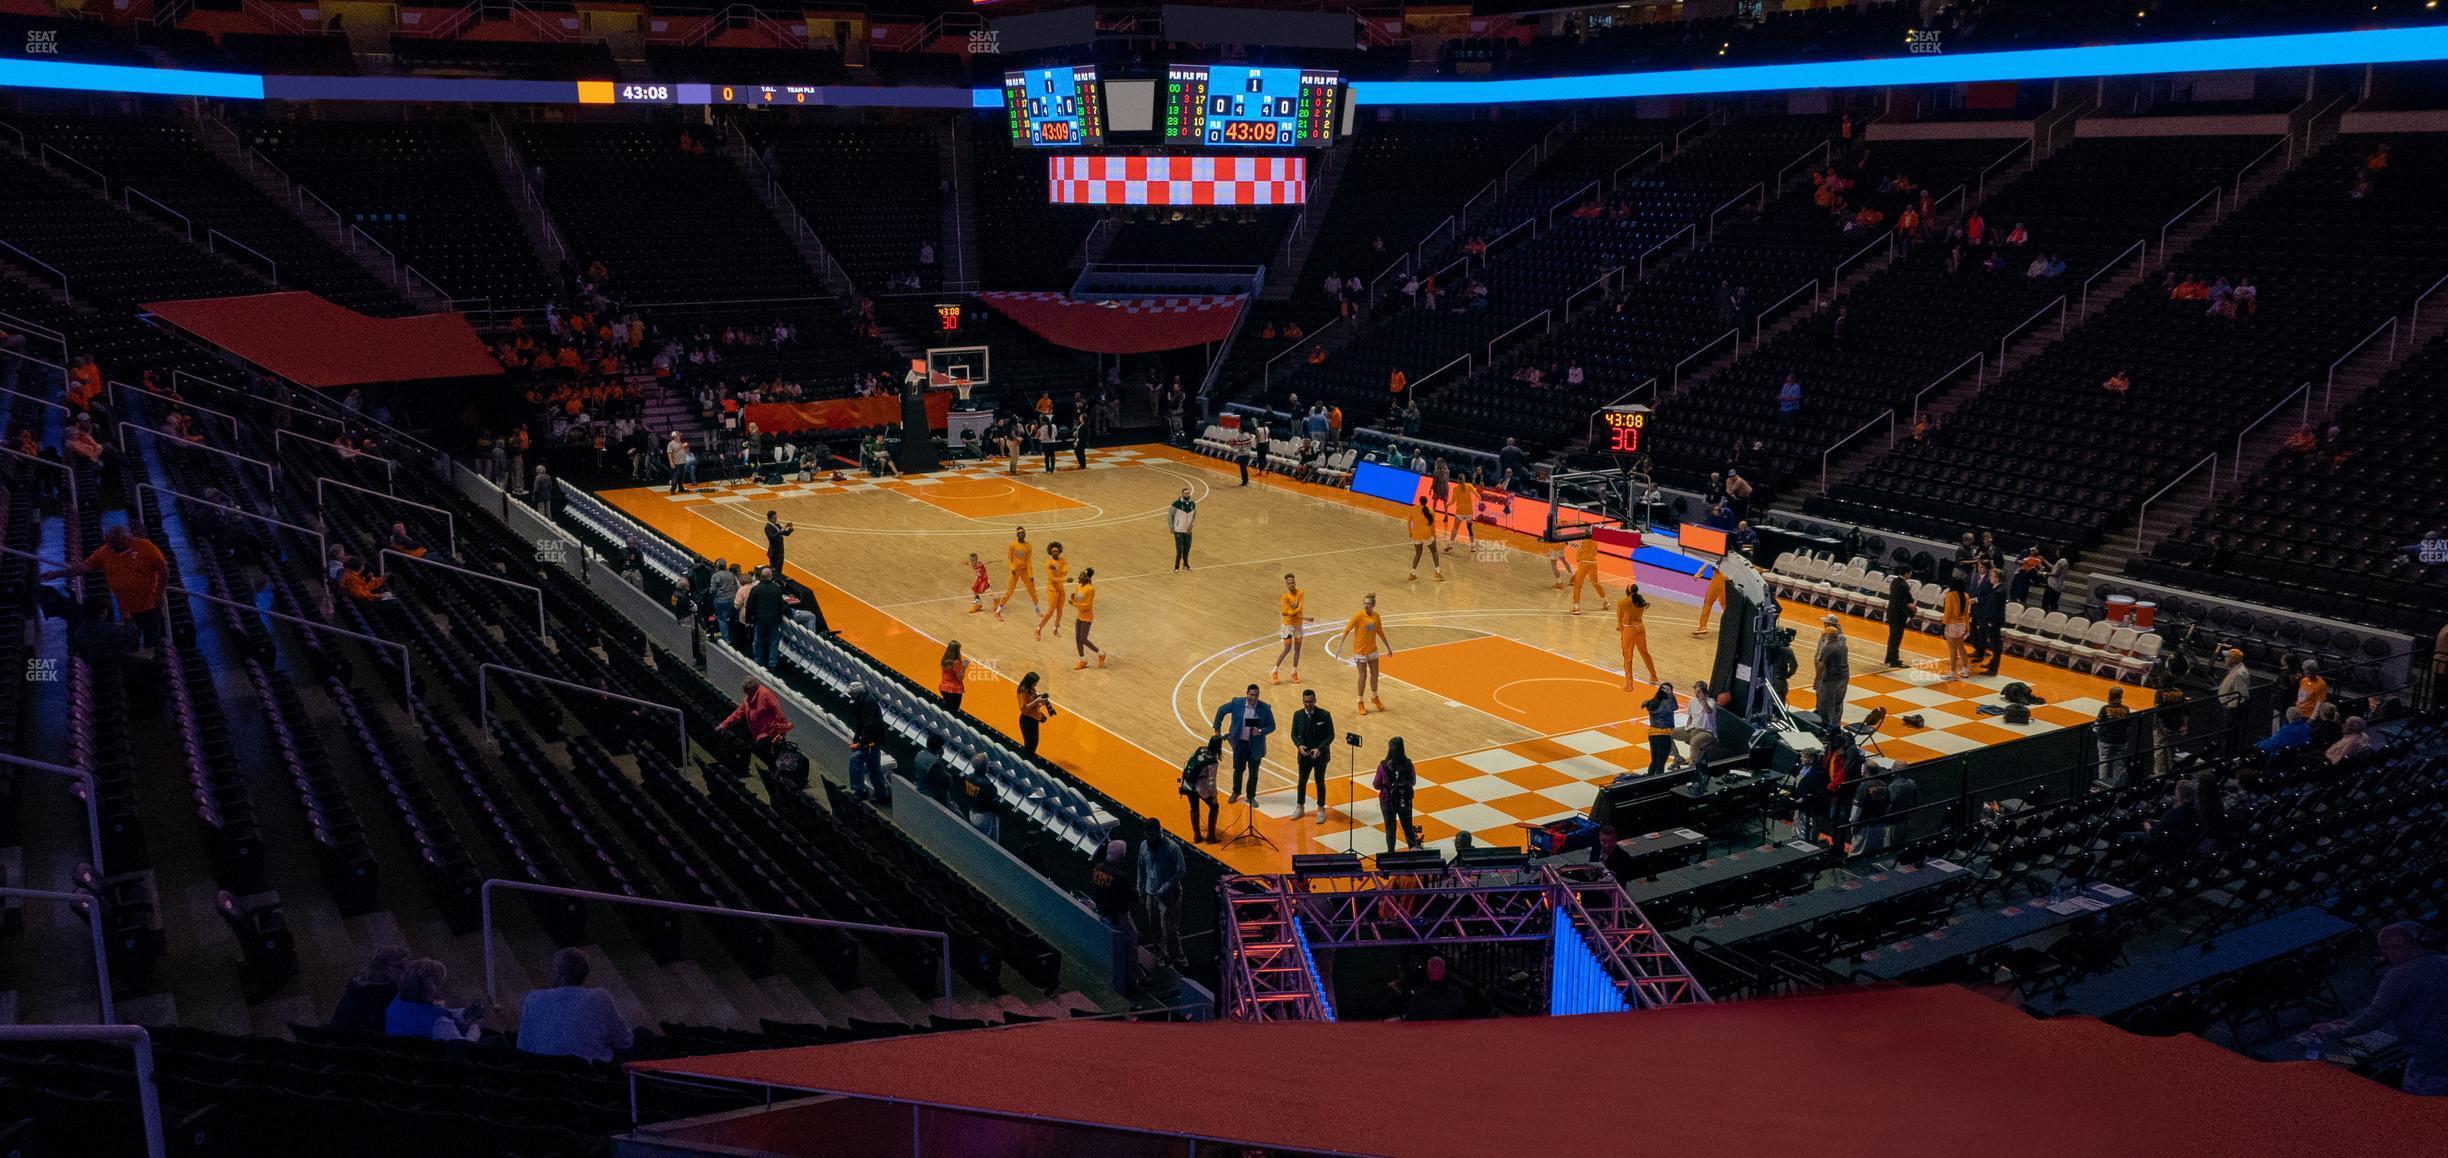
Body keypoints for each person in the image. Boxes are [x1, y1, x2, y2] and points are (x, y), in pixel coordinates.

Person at [2307, 922, 2448, 1095]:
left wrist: (2333, 1030)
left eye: (2386, 951)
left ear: (2397, 947)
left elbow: (2373, 1018)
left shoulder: (2399, 976)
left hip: (2431, 1064)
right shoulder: (2443, 962)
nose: (2385, 958)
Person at [41, 524, 170, 659]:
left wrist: (159, 594)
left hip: (149, 605)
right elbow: (84, 568)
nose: (111, 547)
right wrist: (58, 574)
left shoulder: (145, 547)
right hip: (127, 609)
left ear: (125, 539)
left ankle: (152, 665)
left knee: (152, 640)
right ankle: (136, 666)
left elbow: (163, 570)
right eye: (110, 543)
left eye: (115, 543)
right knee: (131, 641)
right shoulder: (105, 552)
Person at [516, 948, 633, 1063]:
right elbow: (624, 1041)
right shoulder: (599, 997)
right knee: (643, 1035)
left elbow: (522, 1045)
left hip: (541, 1073)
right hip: (590, 1074)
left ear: (557, 973)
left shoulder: (533, 998)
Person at [385, 958, 481, 1042]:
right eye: (438, 983)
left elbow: (428, 1011)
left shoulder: (397, 1001)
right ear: (430, 989)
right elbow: (464, 1047)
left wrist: (463, 1014)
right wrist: (474, 1025)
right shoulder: (439, 1023)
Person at [1212, 683, 1276, 805]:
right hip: (1240, 743)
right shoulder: (1237, 703)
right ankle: (1236, 792)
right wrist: (1217, 727)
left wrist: (1261, 731)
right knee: (1238, 769)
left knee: (1253, 772)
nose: (1253, 698)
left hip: (1255, 745)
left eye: (1256, 695)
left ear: (1259, 695)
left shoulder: (1265, 708)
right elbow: (1221, 710)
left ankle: (1251, 796)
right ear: (1246, 693)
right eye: (1251, 695)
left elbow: (1272, 726)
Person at [328, 947, 410, 1034]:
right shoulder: (358, 995)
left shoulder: (398, 992)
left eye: (406, 967)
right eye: (399, 966)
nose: (404, 971)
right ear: (381, 967)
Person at [1337, 592, 1394, 716]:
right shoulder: (1358, 616)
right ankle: (1360, 701)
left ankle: (1374, 697)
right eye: (1364, 603)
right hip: (1360, 651)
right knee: (1363, 676)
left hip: (1372, 650)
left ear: (1373, 605)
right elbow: (1347, 629)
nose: (1366, 605)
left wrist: (1388, 647)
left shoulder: (1376, 617)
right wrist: (1340, 646)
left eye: (1368, 604)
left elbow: (1380, 631)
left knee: (1375, 674)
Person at [1138, 819, 1186, 965]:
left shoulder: (1173, 848)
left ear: (1159, 832)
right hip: (1151, 893)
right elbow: (1140, 867)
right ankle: (1161, 954)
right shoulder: (1144, 846)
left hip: (1169, 895)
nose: (1149, 839)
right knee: (1154, 928)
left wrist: (1166, 885)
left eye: (1152, 835)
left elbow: (1181, 871)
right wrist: (1140, 888)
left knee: (1170, 929)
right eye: (1147, 835)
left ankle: (1178, 957)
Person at [718, 676, 793, 766]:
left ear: (753, 689)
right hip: (757, 732)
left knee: (764, 748)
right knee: (762, 750)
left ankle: (776, 767)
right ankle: (774, 766)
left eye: (747, 691)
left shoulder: (766, 695)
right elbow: (737, 714)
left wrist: (781, 730)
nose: (745, 694)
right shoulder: (747, 699)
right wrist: (723, 725)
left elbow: (778, 711)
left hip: (769, 731)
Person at [1289, 688, 1336, 821]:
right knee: (1301, 781)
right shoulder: (1297, 715)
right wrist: (1299, 746)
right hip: (1304, 754)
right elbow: (1293, 734)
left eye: (1310, 701)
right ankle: (1300, 807)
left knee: (1319, 781)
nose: (1308, 704)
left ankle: (1321, 809)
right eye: (1306, 701)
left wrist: (1320, 749)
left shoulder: (1324, 715)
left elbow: (1330, 735)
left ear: (1315, 700)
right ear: (1303, 701)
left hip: (1320, 755)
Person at [1375, 737, 1421, 852]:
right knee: (1408, 827)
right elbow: (1413, 781)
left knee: (1390, 828)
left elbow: (1376, 784)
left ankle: (1391, 853)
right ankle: (1413, 851)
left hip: (1387, 801)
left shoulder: (1383, 766)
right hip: (1405, 800)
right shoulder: (1409, 764)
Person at [1272, 572, 1313, 684]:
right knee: (1287, 649)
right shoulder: (1285, 597)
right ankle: (1274, 670)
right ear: (1287, 585)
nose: (1291, 585)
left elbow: (1299, 608)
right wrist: (1293, 611)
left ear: (1295, 582)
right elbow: (1287, 612)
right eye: (1289, 583)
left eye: (1292, 583)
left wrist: (1293, 610)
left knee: (1298, 649)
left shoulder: (1300, 593)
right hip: (1288, 625)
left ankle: (1294, 672)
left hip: (1298, 624)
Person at [742, 564, 786, 668]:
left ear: (761, 577)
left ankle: (758, 660)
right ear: (771, 577)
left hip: (759, 620)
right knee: (774, 641)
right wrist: (779, 619)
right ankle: (772, 663)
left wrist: (748, 620)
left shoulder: (756, 589)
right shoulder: (777, 589)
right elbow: (781, 606)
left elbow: (749, 606)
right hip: (773, 620)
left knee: (758, 640)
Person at [992, 526, 1039, 623]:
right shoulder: (1013, 545)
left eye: (1023, 533)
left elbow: (1029, 561)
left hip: (1025, 571)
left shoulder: (1028, 546)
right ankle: (998, 612)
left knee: (1032, 589)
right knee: (1009, 592)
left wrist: (1031, 575)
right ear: (1017, 535)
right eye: (1020, 533)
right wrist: (1012, 568)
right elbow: (1009, 558)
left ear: (1025, 534)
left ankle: (1037, 608)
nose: (1021, 534)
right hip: (1015, 571)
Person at [1616, 584, 1659, 688]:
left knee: (1628, 657)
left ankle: (1629, 684)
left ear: (1628, 591)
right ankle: (1654, 676)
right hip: (1641, 629)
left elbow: (1619, 619)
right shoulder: (1641, 600)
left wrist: (1622, 632)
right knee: (1645, 653)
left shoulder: (1622, 602)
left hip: (1629, 630)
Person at [1180, 736, 1222, 843]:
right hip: (1200, 787)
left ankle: (1197, 836)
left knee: (1194, 808)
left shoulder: (1200, 749)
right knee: (1214, 807)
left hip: (1188, 784)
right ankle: (1211, 836)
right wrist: (1214, 796)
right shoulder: (1213, 761)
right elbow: (1211, 782)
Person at [1403, 956, 1470, 1021]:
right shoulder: (1457, 995)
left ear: (1428, 972)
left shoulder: (1420, 998)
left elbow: (1411, 1024)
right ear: (1444, 971)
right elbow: (1464, 1021)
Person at [1813, 615, 1851, 729]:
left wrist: (1816, 678)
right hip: (1840, 675)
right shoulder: (1837, 643)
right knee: (1832, 700)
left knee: (1828, 702)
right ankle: (1827, 720)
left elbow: (1822, 662)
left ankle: (1828, 727)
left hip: (1830, 675)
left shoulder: (1834, 643)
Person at [2095, 687, 2133, 788]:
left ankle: (2102, 786)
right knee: (2119, 763)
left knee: (2104, 762)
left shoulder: (2105, 708)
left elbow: (2097, 725)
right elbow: (2128, 726)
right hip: (2121, 740)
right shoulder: (2126, 709)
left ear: (2109, 696)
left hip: (2105, 740)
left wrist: (2097, 732)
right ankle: (2118, 786)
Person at [1068, 567, 1105, 670]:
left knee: (1083, 639)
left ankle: (1101, 654)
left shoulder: (1090, 589)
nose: (1079, 577)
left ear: (1087, 578)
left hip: (1087, 617)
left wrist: (1074, 603)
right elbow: (1078, 599)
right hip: (1080, 615)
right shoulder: (1079, 586)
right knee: (1077, 639)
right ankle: (1083, 660)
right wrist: (1073, 597)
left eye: (1081, 575)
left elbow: (1087, 605)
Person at [1639, 684, 1678, 777]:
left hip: (1652, 735)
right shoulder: (1666, 703)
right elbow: (1674, 707)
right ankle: (1658, 782)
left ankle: (1648, 779)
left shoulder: (1652, 702)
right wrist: (1671, 694)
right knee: (1661, 764)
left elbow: (1645, 703)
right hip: (1663, 735)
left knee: (1654, 761)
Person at [1036, 541, 1069, 642]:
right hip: (1052, 589)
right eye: (1053, 551)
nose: (1055, 552)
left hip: (1061, 589)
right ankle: (1038, 628)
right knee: (1050, 610)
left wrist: (1057, 569)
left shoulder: (1064, 560)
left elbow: (1065, 571)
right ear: (1050, 552)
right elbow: (1052, 578)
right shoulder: (1048, 563)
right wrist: (1064, 578)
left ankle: (1055, 629)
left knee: (1060, 610)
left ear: (1059, 551)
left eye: (1056, 551)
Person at [1406, 495, 1443, 582]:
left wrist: (1410, 532)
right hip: (1427, 535)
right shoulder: (1431, 510)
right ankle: (1437, 571)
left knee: (1418, 554)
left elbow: (1409, 521)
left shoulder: (1413, 509)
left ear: (1419, 501)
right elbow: (1433, 525)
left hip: (1416, 535)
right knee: (1434, 551)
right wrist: (1434, 535)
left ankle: (1412, 573)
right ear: (1426, 502)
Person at [1941, 575, 1971, 680]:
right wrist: (1967, 626)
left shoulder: (1950, 595)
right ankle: (1965, 670)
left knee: (1952, 650)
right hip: (1962, 624)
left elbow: (1947, 612)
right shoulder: (1966, 596)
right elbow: (1967, 614)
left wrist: (1943, 625)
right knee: (1961, 647)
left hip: (1952, 624)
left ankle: (1952, 672)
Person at [1016, 672, 1053, 754]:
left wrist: (1040, 700)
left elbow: (1034, 702)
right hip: (1027, 721)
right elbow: (1023, 708)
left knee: (1034, 744)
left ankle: (1027, 762)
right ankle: (1025, 763)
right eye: (1034, 683)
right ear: (1029, 682)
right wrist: (1037, 700)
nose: (1036, 685)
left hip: (1034, 719)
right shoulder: (1023, 692)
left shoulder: (1031, 689)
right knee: (1029, 746)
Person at [1884, 570, 1914, 666]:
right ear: (1907, 573)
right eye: (1910, 573)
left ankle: (1888, 658)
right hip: (1898, 615)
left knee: (1892, 637)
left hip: (1891, 613)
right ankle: (1894, 660)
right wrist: (1910, 613)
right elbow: (1902, 603)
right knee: (1896, 638)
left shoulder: (1895, 581)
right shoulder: (1903, 585)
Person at [1567, 535, 1602, 614]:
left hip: (1584, 563)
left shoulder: (1582, 540)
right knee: (1596, 583)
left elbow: (1579, 550)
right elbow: (1595, 551)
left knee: (1577, 586)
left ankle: (1576, 608)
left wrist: (1578, 558)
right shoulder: (1596, 541)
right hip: (1593, 563)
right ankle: (1606, 602)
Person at [1692, 563, 1728, 636]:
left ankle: (1703, 627)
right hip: (1727, 579)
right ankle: (1731, 627)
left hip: (1718, 577)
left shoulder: (1719, 553)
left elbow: (1706, 563)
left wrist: (1698, 574)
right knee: (1724, 605)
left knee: (1708, 603)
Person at [1168, 488, 1197, 571]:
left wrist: (1192, 525)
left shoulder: (1193, 504)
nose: (1187, 495)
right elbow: (1170, 515)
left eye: (1188, 493)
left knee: (1187, 548)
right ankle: (1176, 566)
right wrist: (1171, 527)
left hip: (1188, 531)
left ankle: (1186, 565)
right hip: (1178, 530)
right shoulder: (1176, 504)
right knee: (1179, 550)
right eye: (1185, 493)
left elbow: (1194, 516)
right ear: (1182, 494)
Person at [939, 641, 969, 712]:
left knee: (947, 710)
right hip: (954, 690)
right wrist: (964, 667)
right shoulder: (956, 663)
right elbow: (960, 678)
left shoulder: (944, 659)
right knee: (953, 712)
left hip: (944, 687)